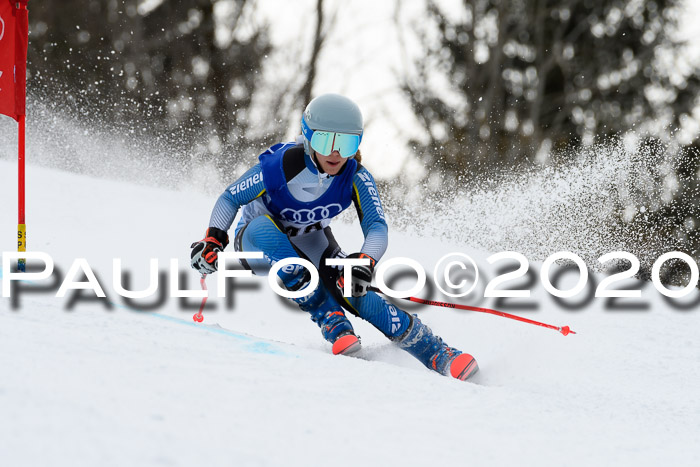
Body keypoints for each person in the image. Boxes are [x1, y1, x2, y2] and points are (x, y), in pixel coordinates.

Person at [190, 93, 478, 381]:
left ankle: (437, 352)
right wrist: (214, 239)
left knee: (354, 287)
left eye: (347, 143)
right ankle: (330, 318)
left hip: (312, 239)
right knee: (269, 234)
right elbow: (230, 197)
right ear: (307, 136)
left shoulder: (356, 176)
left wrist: (364, 263)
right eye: (325, 141)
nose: (336, 153)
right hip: (257, 241)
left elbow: (377, 227)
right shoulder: (279, 168)